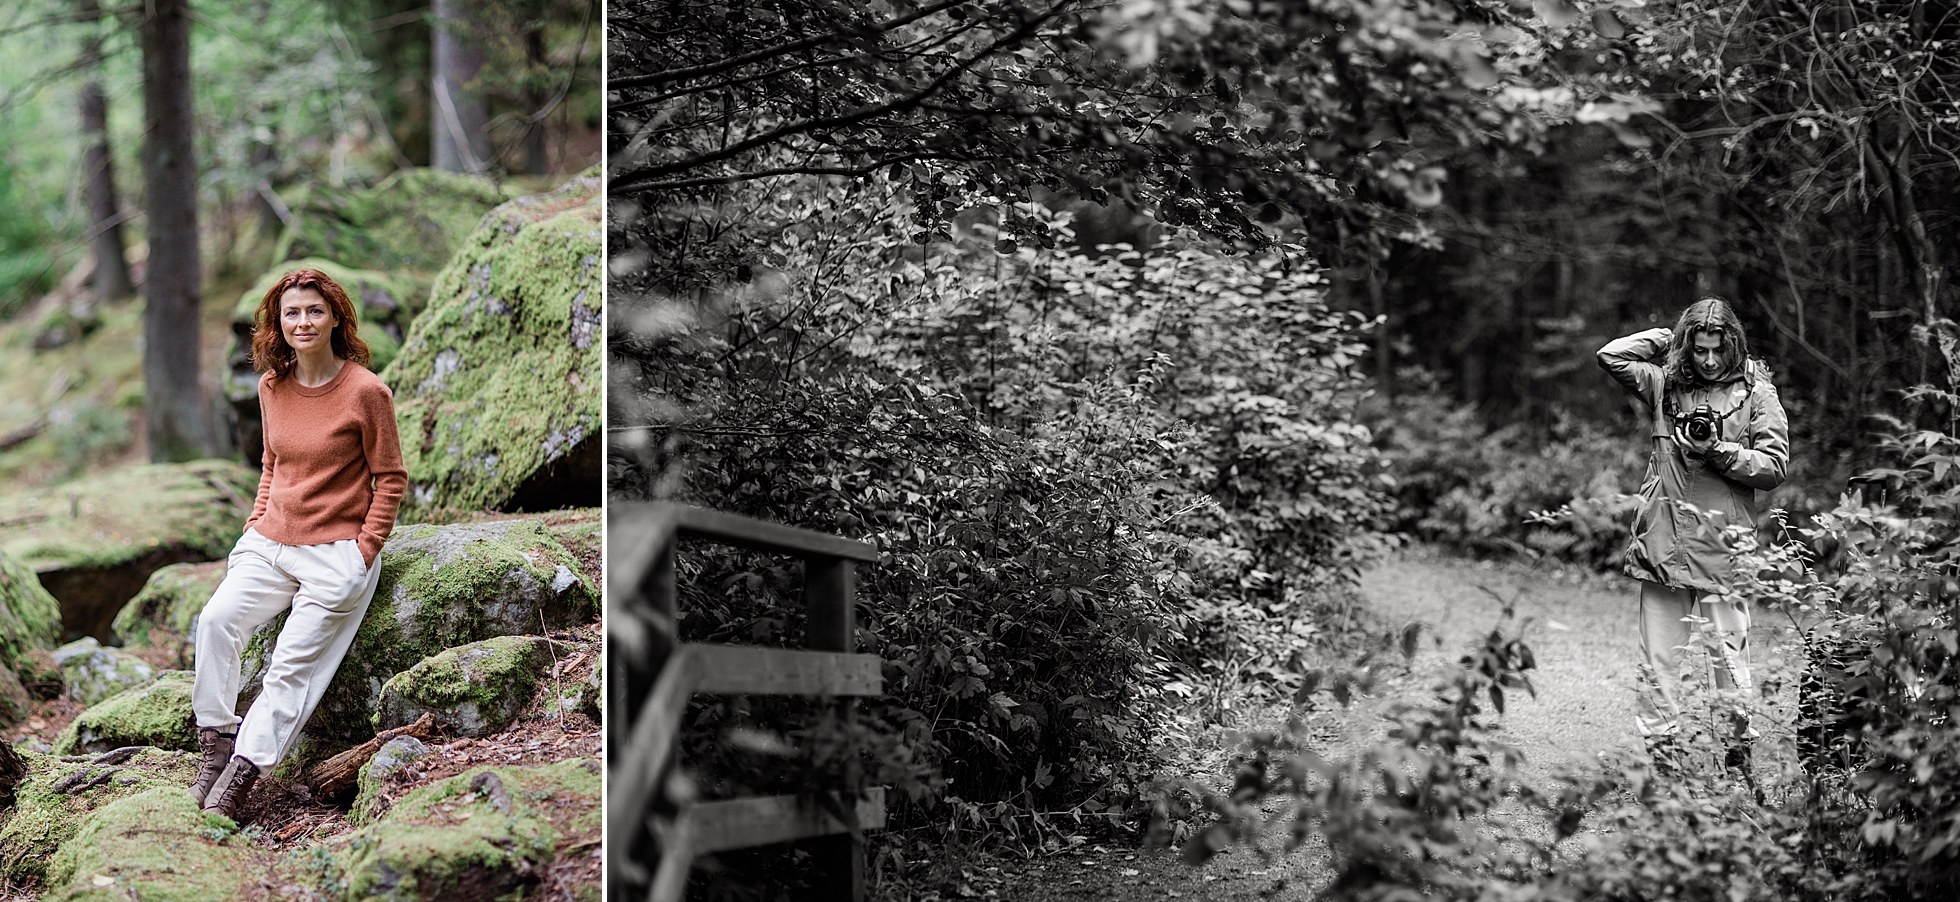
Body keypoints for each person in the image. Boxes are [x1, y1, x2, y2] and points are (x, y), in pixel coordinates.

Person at [188, 269, 407, 821]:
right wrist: (257, 518)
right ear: (278, 323)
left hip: (337, 552)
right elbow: (271, 463)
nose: (302, 321)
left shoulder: (366, 390)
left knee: (289, 668)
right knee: (216, 622)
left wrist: (365, 548)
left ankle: (243, 773)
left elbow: (392, 478)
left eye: (314, 310)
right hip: (270, 542)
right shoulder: (271, 386)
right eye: (291, 313)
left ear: (336, 316)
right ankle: (214, 746)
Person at [1596, 297, 1789, 758]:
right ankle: (1660, 749)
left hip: (1723, 543)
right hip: (1665, 541)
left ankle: (1736, 746)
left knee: (1728, 655)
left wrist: (1721, 452)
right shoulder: (1665, 386)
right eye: (1697, 348)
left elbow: (1774, 466)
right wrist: (1670, 337)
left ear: (1733, 346)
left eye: (1716, 350)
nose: (1706, 360)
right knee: (1658, 658)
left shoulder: (1756, 393)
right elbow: (1611, 356)